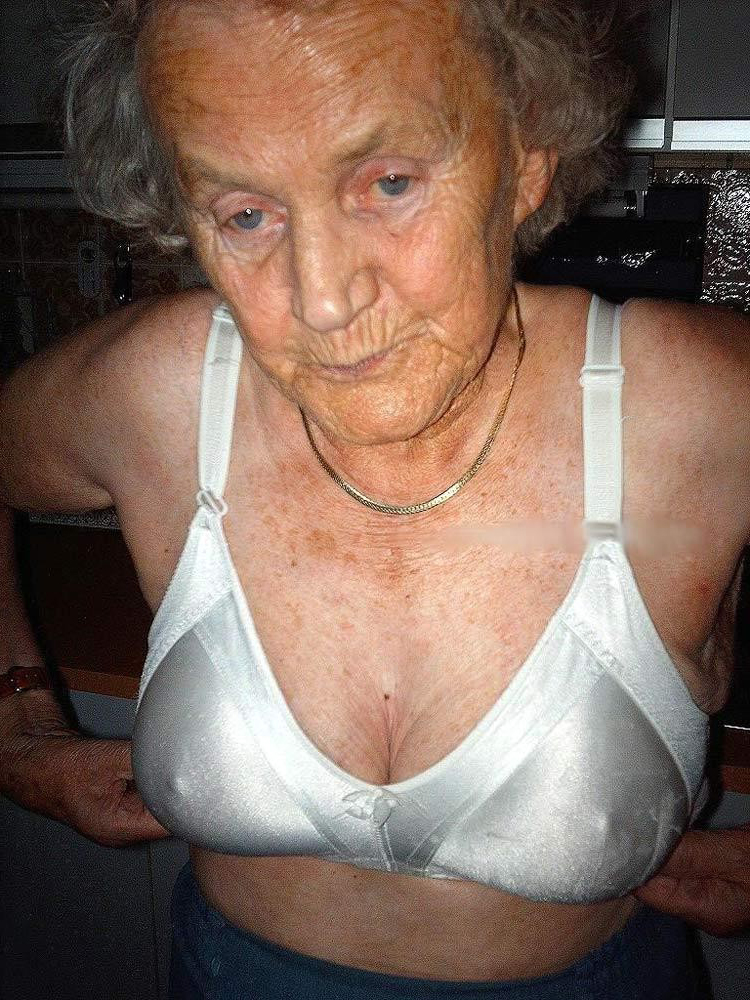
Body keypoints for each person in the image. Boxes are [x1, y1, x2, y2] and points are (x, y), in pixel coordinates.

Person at [1, 0, 749, 996]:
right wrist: (18, 724)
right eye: (245, 214)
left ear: (527, 155)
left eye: (389, 182)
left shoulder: (691, 409)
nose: (321, 298)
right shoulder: (160, 394)